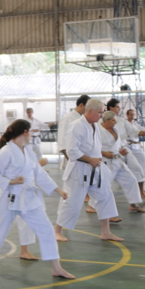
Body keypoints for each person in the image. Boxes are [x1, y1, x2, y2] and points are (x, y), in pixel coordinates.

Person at [0, 120, 74, 279]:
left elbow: (39, 174)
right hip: (9, 198)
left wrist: (58, 190)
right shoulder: (6, 151)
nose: (32, 135)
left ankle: (56, 268)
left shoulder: (28, 152)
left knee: (47, 229)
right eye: (31, 132)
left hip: (28, 198)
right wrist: (11, 182)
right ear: (25, 132)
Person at [54, 99, 122, 242]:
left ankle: (106, 232)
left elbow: (95, 148)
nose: (101, 116)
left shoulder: (95, 125)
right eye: (99, 113)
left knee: (105, 197)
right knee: (72, 201)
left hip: (95, 169)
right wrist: (90, 159)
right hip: (78, 170)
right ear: (90, 111)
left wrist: (97, 158)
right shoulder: (77, 125)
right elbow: (71, 151)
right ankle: (57, 230)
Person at [85, 111, 145, 215]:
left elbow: (117, 145)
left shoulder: (115, 130)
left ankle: (133, 204)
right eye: (113, 120)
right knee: (104, 185)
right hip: (106, 162)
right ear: (106, 120)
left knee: (131, 179)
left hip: (118, 160)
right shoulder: (97, 130)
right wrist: (104, 153)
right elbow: (91, 147)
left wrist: (120, 151)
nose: (115, 122)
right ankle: (91, 206)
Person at [104, 99, 145, 201]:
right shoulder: (101, 122)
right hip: (109, 153)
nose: (119, 109)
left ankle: (140, 193)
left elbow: (134, 131)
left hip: (124, 149)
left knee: (137, 169)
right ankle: (97, 200)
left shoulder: (122, 121)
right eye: (117, 107)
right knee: (107, 178)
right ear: (111, 108)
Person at [120, 107, 145, 199]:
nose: (132, 116)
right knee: (128, 165)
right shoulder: (124, 123)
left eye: (133, 114)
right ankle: (133, 182)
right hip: (128, 146)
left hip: (137, 146)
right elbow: (133, 132)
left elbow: (141, 128)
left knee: (144, 162)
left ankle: (144, 180)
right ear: (127, 115)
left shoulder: (135, 123)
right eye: (131, 114)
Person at [57, 95, 90, 170]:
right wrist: (70, 159)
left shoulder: (83, 118)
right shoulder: (68, 118)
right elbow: (62, 141)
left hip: (82, 157)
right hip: (72, 159)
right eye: (88, 107)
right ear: (81, 105)